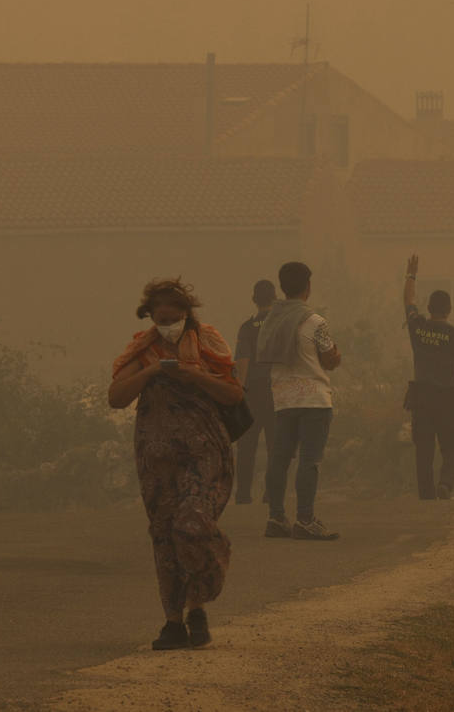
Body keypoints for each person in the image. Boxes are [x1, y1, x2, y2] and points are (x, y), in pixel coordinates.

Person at [108, 278, 245, 651]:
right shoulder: (143, 350)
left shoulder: (207, 343)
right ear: (151, 317)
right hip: (157, 459)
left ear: (187, 314)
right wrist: (152, 372)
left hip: (205, 453)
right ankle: (177, 620)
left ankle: (209, 576)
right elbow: (116, 397)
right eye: (162, 318)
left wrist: (195, 374)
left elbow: (234, 393)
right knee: (165, 535)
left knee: (192, 523)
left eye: (176, 317)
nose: (169, 324)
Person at [258, 261, 342, 541]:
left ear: (282, 287)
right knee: (310, 460)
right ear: (308, 286)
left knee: (279, 459)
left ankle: (276, 517)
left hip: (283, 397)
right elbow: (329, 359)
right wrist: (335, 357)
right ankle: (305, 519)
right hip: (314, 400)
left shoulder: (271, 320)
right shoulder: (315, 321)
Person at [402, 254, 454, 500]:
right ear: (449, 310)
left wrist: (411, 274)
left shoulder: (418, 326)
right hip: (447, 398)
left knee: (423, 450)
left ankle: (426, 495)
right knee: (453, 445)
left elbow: (408, 300)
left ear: (429, 308)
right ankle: (445, 483)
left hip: (422, 397)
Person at [233, 279, 278, 505]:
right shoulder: (281, 324)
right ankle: (271, 494)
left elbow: (243, 360)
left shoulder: (247, 327)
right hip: (277, 391)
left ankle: (242, 495)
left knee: (246, 446)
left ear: (254, 300)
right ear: (275, 298)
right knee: (274, 445)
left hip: (252, 393)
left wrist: (240, 390)